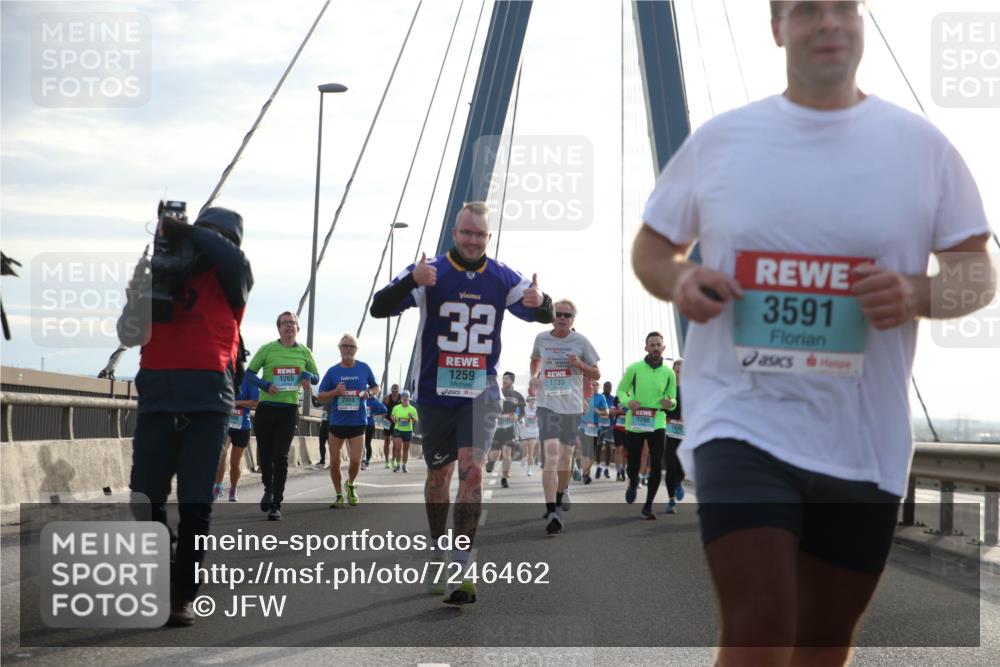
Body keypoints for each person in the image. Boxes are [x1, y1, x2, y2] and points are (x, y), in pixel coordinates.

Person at [632, 1, 995, 662]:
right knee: (761, 620)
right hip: (742, 420)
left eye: (843, 7)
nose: (828, 22)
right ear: (777, 29)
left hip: (862, 439)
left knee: (823, 643)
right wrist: (679, 279)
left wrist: (917, 292)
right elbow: (652, 248)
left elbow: (977, 273)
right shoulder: (723, 141)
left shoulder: (923, 149)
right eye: (806, 10)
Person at [370, 201, 553, 605]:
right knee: (440, 476)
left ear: (489, 237)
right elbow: (379, 307)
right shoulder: (431, 271)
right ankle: (438, 549)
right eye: (466, 233)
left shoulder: (502, 276)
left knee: (472, 472)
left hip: (481, 392)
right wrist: (411, 280)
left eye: (480, 234)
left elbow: (544, 312)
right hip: (435, 392)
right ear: (455, 234)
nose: (472, 240)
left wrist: (541, 301)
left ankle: (461, 566)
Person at [121, 206, 252, 627]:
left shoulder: (232, 276)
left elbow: (232, 257)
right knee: (144, 498)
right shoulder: (162, 273)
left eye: (212, 235)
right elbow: (127, 333)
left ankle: (181, 595)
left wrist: (190, 230)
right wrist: (137, 295)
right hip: (158, 398)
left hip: (208, 403)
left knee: (196, 504)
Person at [529, 299, 600, 535]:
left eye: (566, 315)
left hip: (571, 407)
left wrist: (579, 364)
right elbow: (535, 359)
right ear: (552, 317)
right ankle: (552, 511)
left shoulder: (581, 342)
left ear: (572, 320)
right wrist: (535, 377)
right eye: (558, 314)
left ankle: (560, 497)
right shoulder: (541, 338)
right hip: (547, 405)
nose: (561, 318)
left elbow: (597, 373)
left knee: (565, 457)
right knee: (551, 455)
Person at [245, 312, 319, 521]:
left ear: (298, 328)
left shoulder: (305, 352)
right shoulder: (267, 349)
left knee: (281, 456)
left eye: (292, 323)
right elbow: (249, 374)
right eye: (285, 323)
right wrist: (265, 385)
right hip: (266, 408)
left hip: (289, 410)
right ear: (278, 328)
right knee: (265, 455)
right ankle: (268, 488)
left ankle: (276, 504)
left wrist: (307, 376)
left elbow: (316, 377)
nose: (289, 326)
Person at [616, 332, 677, 520]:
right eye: (652, 345)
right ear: (646, 348)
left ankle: (648, 506)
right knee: (633, 463)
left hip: (657, 421)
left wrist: (670, 403)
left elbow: (672, 397)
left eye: (658, 345)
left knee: (657, 464)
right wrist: (628, 402)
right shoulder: (634, 369)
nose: (655, 348)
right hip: (636, 420)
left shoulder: (669, 373)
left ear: (663, 348)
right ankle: (633, 481)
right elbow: (621, 390)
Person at [318, 333, 379, 507]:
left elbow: (376, 387)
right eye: (344, 346)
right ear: (339, 349)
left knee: (356, 461)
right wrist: (335, 392)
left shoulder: (364, 368)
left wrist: (369, 393)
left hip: (358, 422)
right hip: (337, 422)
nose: (348, 349)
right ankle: (338, 495)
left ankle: (350, 484)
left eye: (351, 346)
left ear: (356, 350)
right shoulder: (332, 371)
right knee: (334, 462)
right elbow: (320, 396)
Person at [213, 373, 259, 501]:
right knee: (221, 454)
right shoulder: (222, 376)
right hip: (225, 425)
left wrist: (237, 402)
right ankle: (218, 487)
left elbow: (256, 402)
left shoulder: (249, 380)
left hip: (242, 427)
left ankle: (233, 489)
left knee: (235, 463)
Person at [486, 371, 526, 488]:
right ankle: (491, 462)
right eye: (503, 378)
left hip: (510, 428)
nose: (504, 380)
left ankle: (504, 478)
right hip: (497, 427)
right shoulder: (496, 392)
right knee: (495, 453)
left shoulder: (518, 396)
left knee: (507, 452)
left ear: (512, 381)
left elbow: (522, 412)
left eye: (507, 379)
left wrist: (517, 417)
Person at [663, 358, 686, 513]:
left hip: (685, 431)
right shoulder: (667, 388)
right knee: (670, 463)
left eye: (682, 369)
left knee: (681, 461)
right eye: (677, 368)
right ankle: (671, 500)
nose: (679, 371)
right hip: (669, 429)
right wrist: (666, 418)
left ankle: (679, 480)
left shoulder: (691, 389)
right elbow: (661, 405)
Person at [389, 390, 418, 472]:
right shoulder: (396, 408)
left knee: (405, 450)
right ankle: (398, 465)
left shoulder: (413, 409)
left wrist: (412, 417)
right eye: (403, 398)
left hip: (408, 431)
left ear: (409, 399)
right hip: (398, 429)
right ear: (401, 399)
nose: (405, 400)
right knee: (398, 448)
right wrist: (394, 420)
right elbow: (392, 415)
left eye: (406, 398)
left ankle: (404, 465)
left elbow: (416, 420)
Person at [594, 381, 616, 479]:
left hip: (609, 425)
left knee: (608, 446)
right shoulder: (599, 397)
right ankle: (598, 466)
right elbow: (594, 409)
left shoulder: (613, 399)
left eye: (609, 387)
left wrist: (611, 413)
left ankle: (607, 468)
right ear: (603, 387)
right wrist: (603, 412)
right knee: (598, 445)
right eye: (606, 386)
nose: (608, 388)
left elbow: (614, 411)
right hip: (599, 425)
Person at [364, 392, 388, 469]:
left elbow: (385, 411)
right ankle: (361, 460)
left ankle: (367, 462)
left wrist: (376, 416)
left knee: (367, 443)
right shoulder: (362, 399)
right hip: (360, 424)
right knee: (360, 443)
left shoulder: (375, 401)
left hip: (370, 425)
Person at [382, 384, 402, 469]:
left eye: (396, 391)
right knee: (387, 441)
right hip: (387, 421)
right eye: (393, 391)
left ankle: (393, 460)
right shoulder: (387, 398)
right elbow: (382, 407)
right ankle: (387, 461)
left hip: (396, 422)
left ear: (398, 391)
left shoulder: (401, 398)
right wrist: (383, 413)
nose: (394, 392)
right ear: (391, 390)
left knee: (395, 441)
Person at [519, 394, 540, 476]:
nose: (533, 401)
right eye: (531, 400)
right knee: (525, 448)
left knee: (531, 451)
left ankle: (529, 469)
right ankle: (524, 457)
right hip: (525, 431)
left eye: (534, 400)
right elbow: (520, 418)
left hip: (534, 431)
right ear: (528, 401)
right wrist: (521, 422)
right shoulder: (525, 409)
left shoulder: (538, 409)